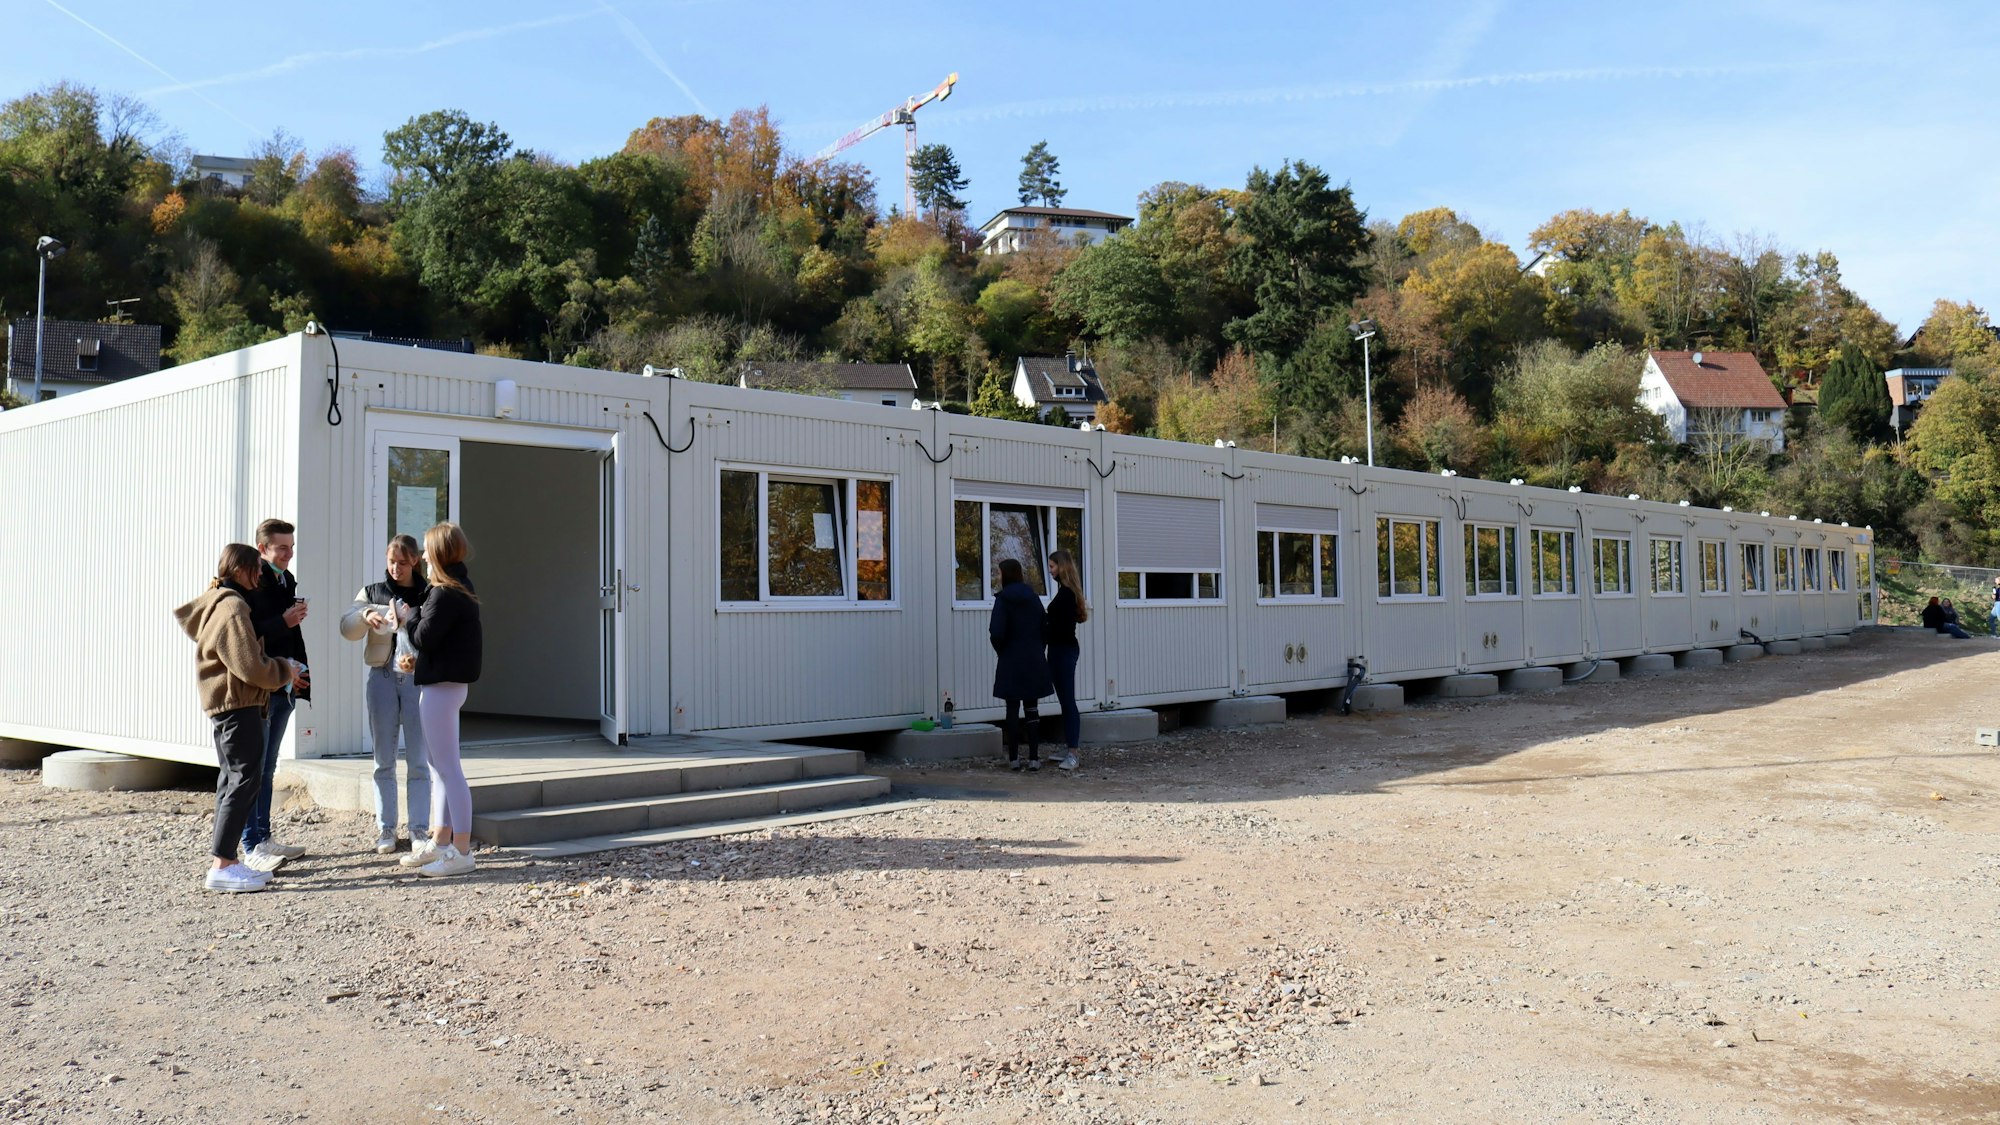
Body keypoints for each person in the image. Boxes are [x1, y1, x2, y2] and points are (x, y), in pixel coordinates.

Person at [175, 544, 308, 893]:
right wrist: (284, 668)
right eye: (256, 569)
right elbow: (250, 666)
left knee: (232, 780)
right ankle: (224, 865)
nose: (261, 574)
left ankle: (226, 861)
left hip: (229, 705)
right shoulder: (233, 606)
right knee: (244, 780)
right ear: (239, 570)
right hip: (239, 705)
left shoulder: (220, 601)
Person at [397, 522, 482, 877]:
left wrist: (406, 617)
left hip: (442, 689)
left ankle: (460, 851)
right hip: (446, 685)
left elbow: (424, 637)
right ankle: (442, 840)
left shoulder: (445, 592)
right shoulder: (456, 587)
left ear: (437, 553)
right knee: (440, 768)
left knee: (448, 770)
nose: (422, 557)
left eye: (426, 550)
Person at [339, 534, 431, 856]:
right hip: (382, 677)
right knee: (383, 759)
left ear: (415, 561)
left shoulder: (428, 591)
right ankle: (386, 829)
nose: (395, 568)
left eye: (402, 563)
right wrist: (366, 616)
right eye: (391, 561)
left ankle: (419, 829)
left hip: (418, 679)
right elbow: (346, 627)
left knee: (419, 760)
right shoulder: (372, 592)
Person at [241, 518, 310, 873]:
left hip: (286, 683)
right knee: (254, 769)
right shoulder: (253, 582)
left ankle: (264, 837)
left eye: (291, 547)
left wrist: (299, 672)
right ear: (262, 549)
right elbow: (248, 634)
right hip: (264, 687)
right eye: (282, 547)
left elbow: (289, 635)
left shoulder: (286, 579)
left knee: (268, 768)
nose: (288, 553)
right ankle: (250, 844)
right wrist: (284, 621)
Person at [989, 558, 1052, 772]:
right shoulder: (1034, 598)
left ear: (1006, 574)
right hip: (1034, 658)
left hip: (1011, 659)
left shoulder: (1003, 600)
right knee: (1032, 709)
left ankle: (1014, 759)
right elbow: (1044, 627)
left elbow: (996, 632)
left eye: (999, 573)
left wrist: (1003, 652)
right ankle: (1034, 758)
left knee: (1012, 708)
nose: (998, 576)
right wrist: (1038, 649)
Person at [1044, 549, 1089, 772]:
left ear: (1062, 567)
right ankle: (1070, 747)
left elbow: (1058, 627)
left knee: (1068, 701)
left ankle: (1073, 753)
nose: (1050, 570)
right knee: (1065, 700)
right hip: (1060, 650)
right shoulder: (1066, 592)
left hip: (1063, 651)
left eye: (1052, 566)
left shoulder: (1066, 595)